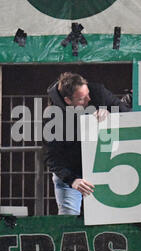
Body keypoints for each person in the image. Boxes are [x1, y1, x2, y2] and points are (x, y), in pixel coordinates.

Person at [43, 72, 131, 215]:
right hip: (71, 173)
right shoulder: (53, 116)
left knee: (109, 217)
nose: (89, 100)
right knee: (69, 218)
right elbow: (51, 157)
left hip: (102, 168)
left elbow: (127, 113)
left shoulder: (97, 92)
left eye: (88, 93)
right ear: (68, 100)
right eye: (82, 99)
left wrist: (111, 114)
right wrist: (72, 180)